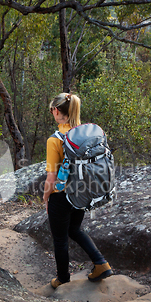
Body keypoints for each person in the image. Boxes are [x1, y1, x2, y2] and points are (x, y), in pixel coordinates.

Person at [43, 92, 112, 289]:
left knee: (60, 238)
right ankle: (101, 263)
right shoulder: (87, 134)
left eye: (52, 111)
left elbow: (51, 177)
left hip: (61, 196)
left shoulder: (55, 139)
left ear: (56, 111)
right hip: (82, 192)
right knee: (74, 229)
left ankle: (63, 279)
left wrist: (46, 196)